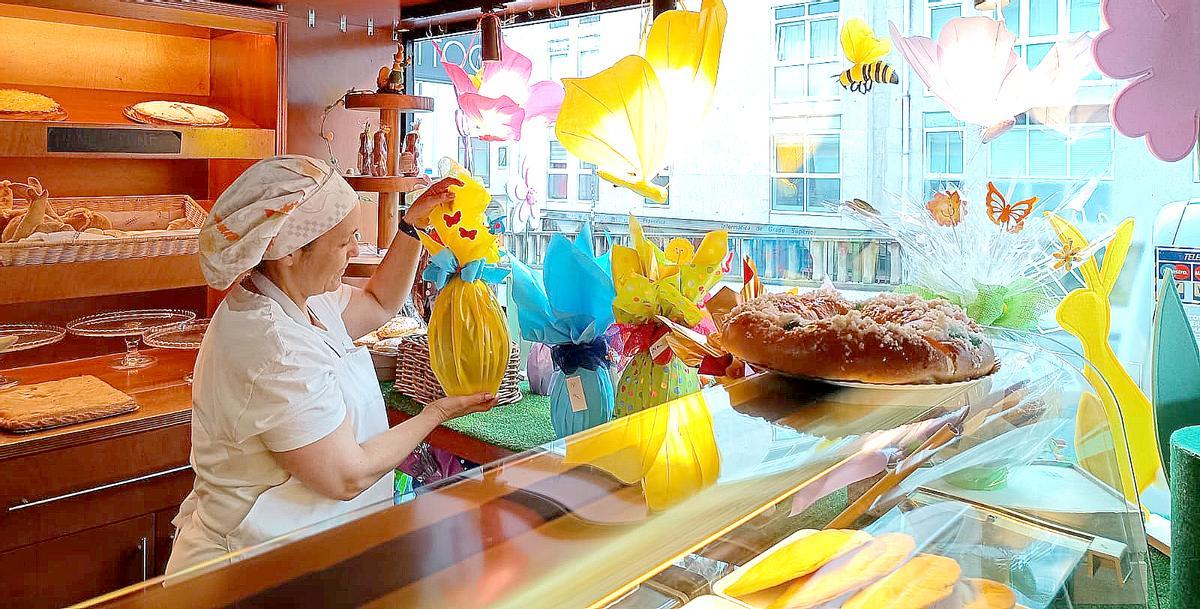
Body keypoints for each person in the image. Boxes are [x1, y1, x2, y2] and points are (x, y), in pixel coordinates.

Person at [165, 155, 495, 574]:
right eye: (344, 242)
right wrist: (437, 412)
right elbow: (347, 476)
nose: (355, 250)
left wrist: (413, 227)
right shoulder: (273, 346)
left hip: (302, 558)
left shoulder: (302, 298)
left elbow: (379, 303)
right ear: (290, 252)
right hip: (247, 571)